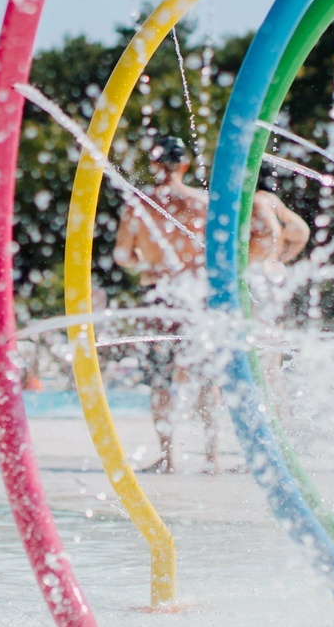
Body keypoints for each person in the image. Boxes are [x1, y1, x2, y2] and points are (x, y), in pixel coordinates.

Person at [113, 135, 307, 473]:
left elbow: (124, 256)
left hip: (160, 296)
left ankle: (169, 458)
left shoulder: (138, 205)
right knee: (207, 379)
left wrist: (150, 262)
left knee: (161, 380)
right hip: (199, 293)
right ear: (184, 164)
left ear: (154, 164)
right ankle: (211, 455)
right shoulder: (204, 202)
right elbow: (224, 250)